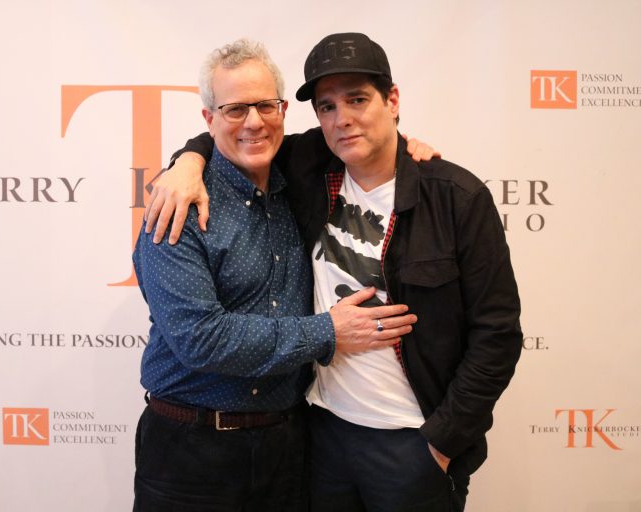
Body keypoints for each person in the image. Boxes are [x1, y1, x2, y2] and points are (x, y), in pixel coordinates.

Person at [145, 32, 522, 512]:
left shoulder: (454, 197)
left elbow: (498, 334)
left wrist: (443, 443)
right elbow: (234, 135)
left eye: (358, 100)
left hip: (409, 444)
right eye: (326, 107)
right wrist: (187, 160)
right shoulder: (296, 175)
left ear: (393, 100)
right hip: (310, 437)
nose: (342, 118)